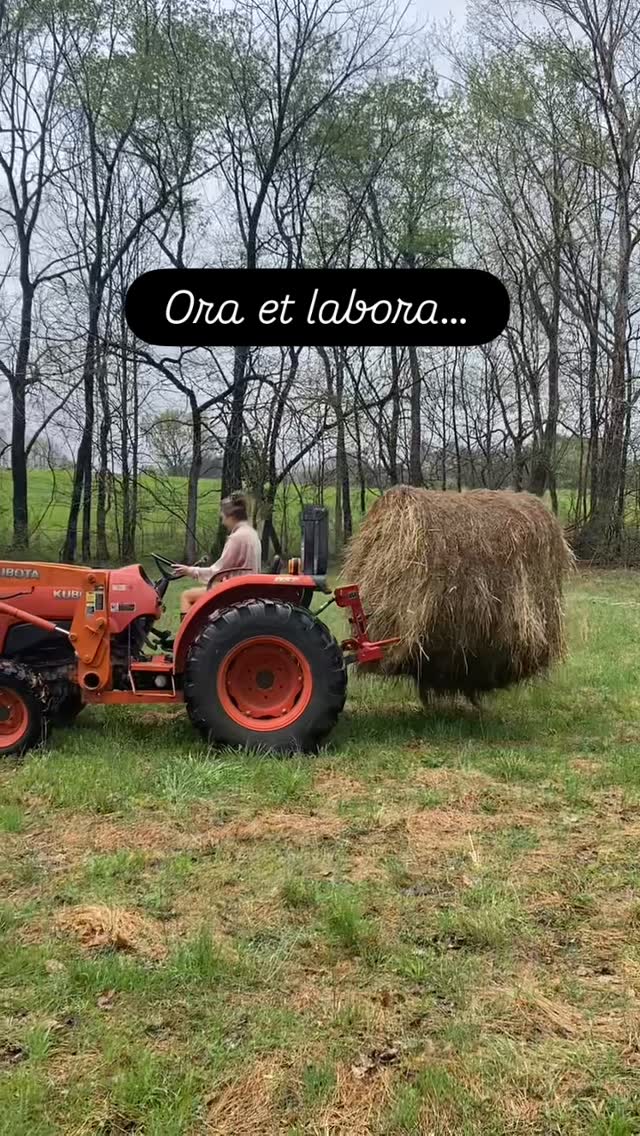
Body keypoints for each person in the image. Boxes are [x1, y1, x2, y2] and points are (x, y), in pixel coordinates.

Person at [174, 492, 262, 616]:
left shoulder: (237, 538)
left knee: (187, 596)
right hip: (244, 589)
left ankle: (190, 635)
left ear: (231, 517)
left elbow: (217, 572)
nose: (223, 522)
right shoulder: (252, 534)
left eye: (223, 518)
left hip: (235, 592)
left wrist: (190, 571)